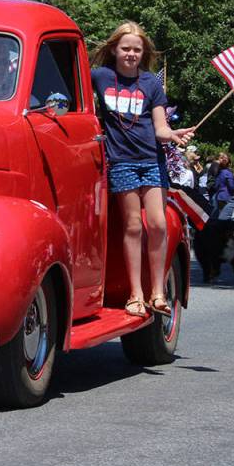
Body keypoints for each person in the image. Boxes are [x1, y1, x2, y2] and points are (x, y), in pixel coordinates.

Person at [91, 21, 195, 317]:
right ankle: (135, 293)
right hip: (121, 161)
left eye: (137, 49)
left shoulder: (150, 84)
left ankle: (158, 291)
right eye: (126, 48)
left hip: (152, 160)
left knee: (159, 224)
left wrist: (174, 135)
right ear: (114, 49)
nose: (131, 54)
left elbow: (161, 128)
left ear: (143, 52)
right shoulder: (100, 77)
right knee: (133, 226)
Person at [213, 153, 234, 217]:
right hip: (227, 197)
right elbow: (231, 186)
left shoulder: (219, 172)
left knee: (219, 215)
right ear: (229, 163)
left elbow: (216, 185)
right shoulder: (228, 173)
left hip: (219, 196)